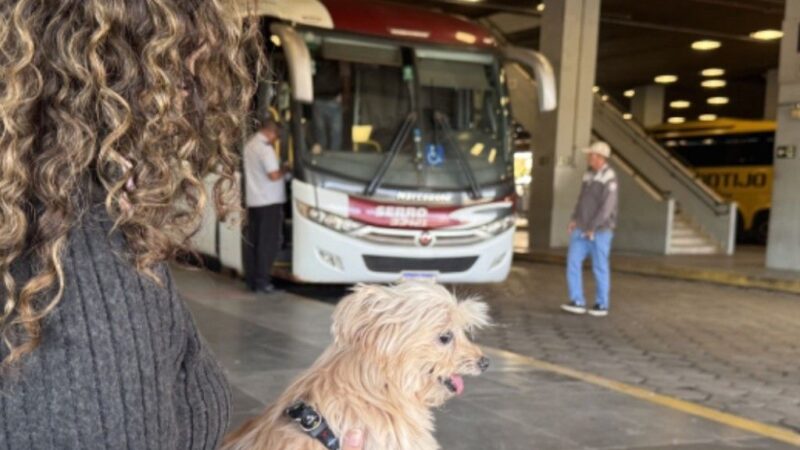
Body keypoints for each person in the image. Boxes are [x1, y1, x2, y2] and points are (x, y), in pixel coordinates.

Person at [0, 2, 367, 449]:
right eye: (183, 73)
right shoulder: (77, 255)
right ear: (113, 73)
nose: (189, 102)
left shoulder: (64, 213)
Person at [561, 141, 619, 317]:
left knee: (600, 267)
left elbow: (607, 208)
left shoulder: (609, 178)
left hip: (600, 232)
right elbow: (582, 200)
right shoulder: (588, 175)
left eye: (591, 155)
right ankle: (577, 301)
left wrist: (592, 227)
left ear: (600, 157)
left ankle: (602, 304)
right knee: (573, 263)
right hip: (581, 228)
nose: (588, 157)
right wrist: (574, 219)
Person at [243, 119, 287, 294]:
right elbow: (274, 175)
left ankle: (252, 280)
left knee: (254, 242)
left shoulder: (250, 145)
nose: (276, 139)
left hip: (254, 201)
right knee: (267, 244)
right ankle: (263, 282)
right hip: (269, 202)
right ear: (271, 132)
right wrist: (286, 170)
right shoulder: (265, 149)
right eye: (276, 136)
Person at [312, 58, 349, 151]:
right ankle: (330, 156)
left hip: (327, 99)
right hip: (324, 100)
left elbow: (345, 77)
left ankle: (327, 156)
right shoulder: (337, 58)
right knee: (333, 134)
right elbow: (346, 77)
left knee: (324, 133)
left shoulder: (317, 59)